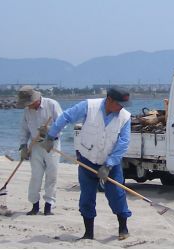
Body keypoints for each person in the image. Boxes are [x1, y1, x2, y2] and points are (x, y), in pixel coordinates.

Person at [43, 88, 133, 240]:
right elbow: (66, 117)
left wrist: (109, 164)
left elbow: (123, 142)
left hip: (110, 163)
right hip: (87, 160)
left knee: (117, 194)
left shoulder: (125, 117)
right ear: (109, 100)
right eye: (120, 103)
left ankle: (123, 228)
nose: (122, 107)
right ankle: (88, 233)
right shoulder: (89, 106)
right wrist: (51, 135)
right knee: (87, 197)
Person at [17, 86, 62, 216]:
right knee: (36, 176)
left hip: (51, 144)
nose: (28, 106)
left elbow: (62, 123)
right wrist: (23, 146)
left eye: (29, 103)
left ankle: (48, 206)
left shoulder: (52, 104)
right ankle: (34, 206)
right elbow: (24, 129)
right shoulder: (27, 111)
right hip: (35, 145)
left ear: (35, 100)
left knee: (51, 175)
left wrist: (50, 131)